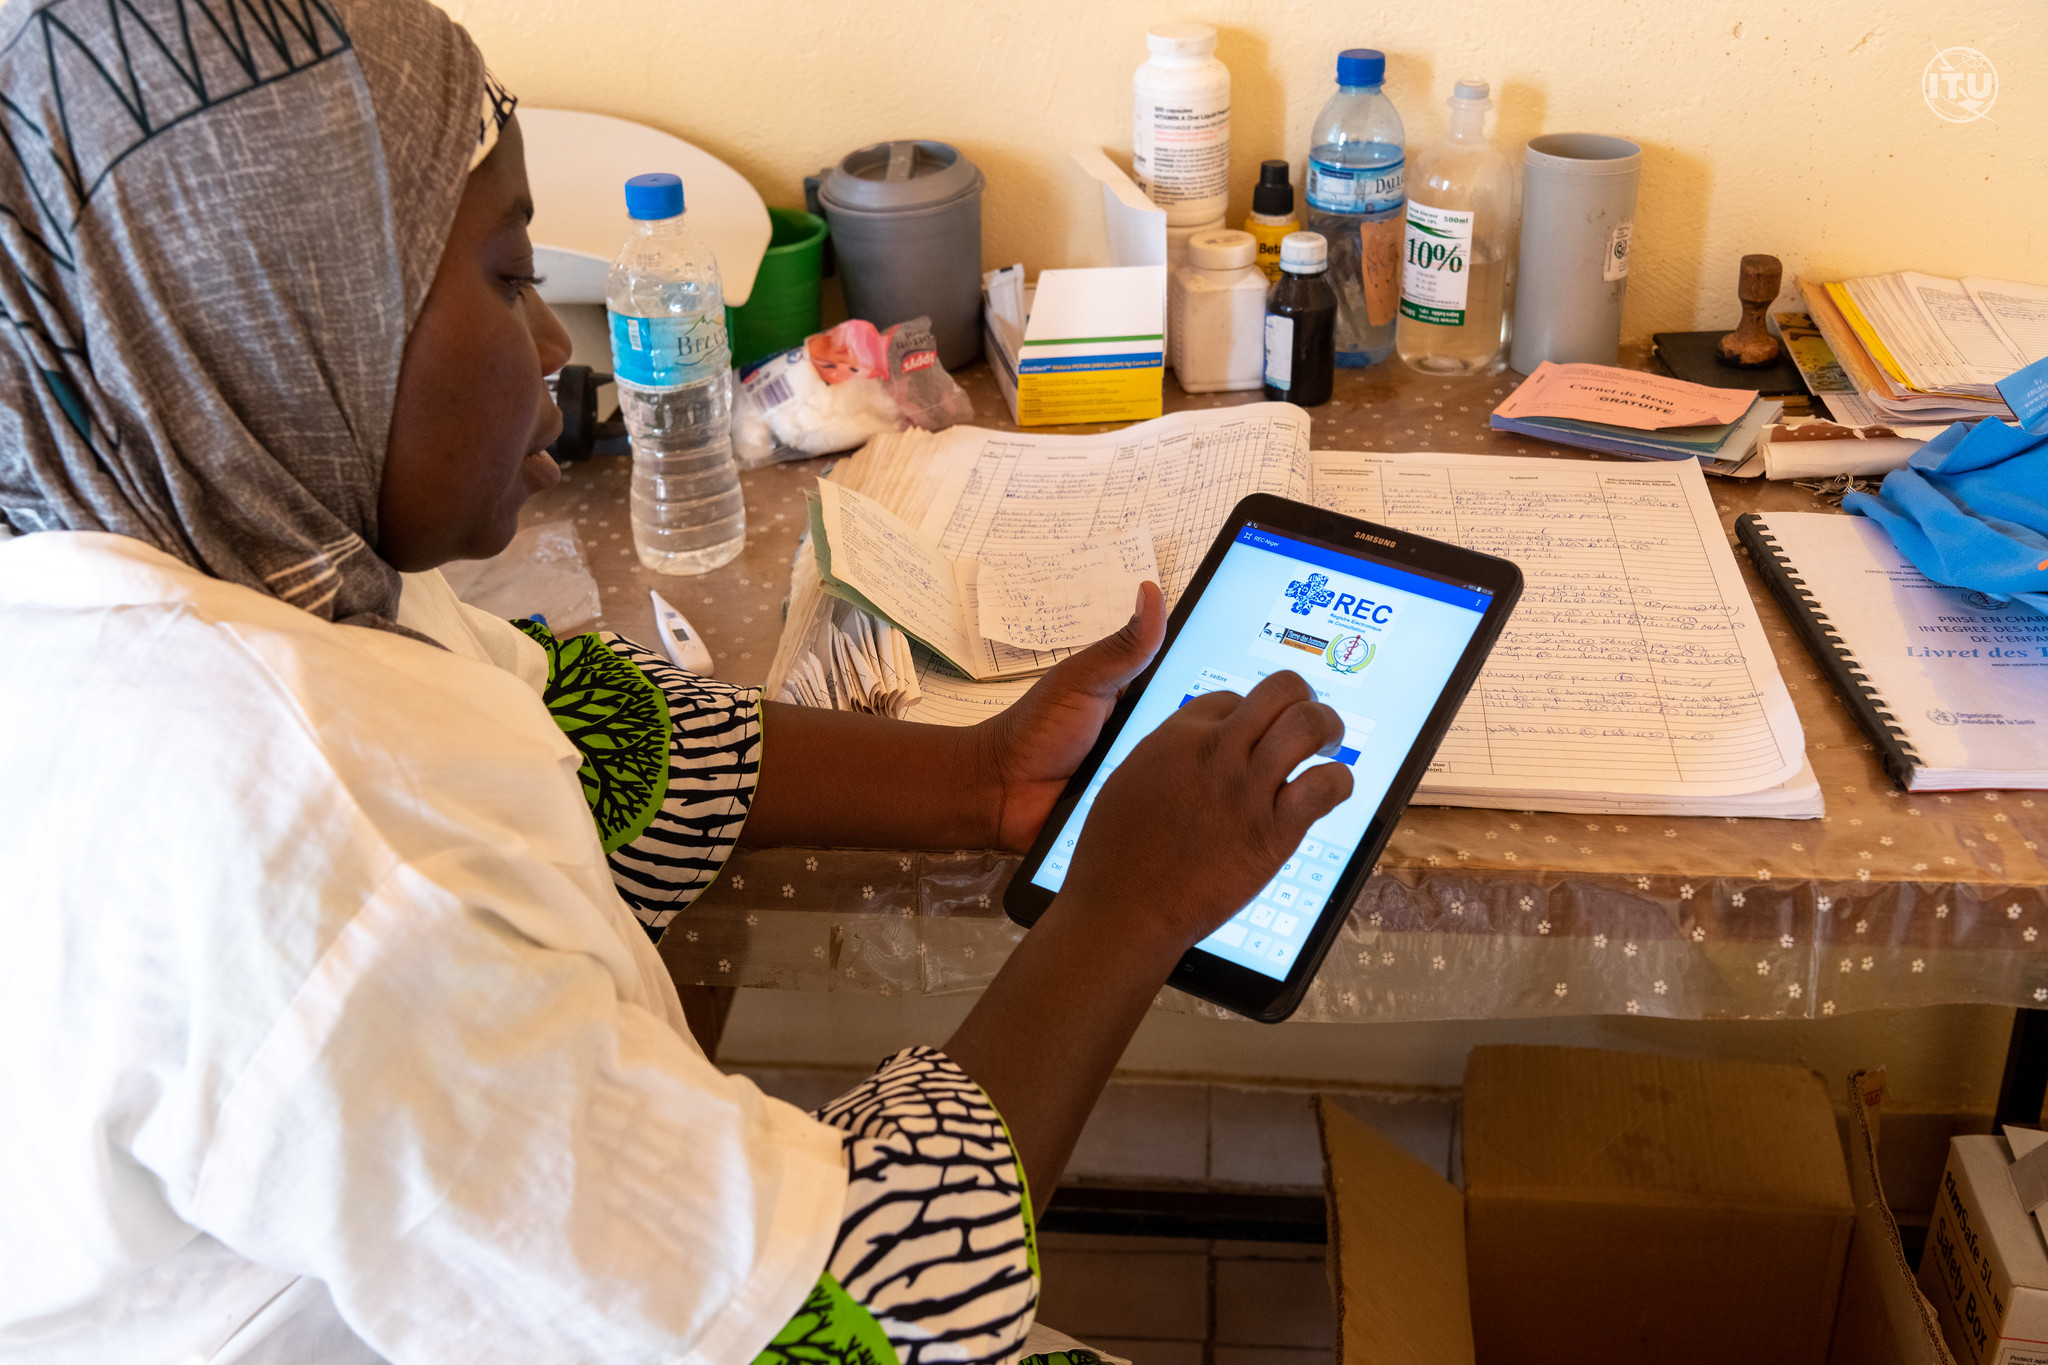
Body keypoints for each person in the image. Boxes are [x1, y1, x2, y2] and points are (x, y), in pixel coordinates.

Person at [0, 0, 1351, 1361]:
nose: (553, 350)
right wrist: (1131, 903)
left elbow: (583, 732)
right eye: (508, 275)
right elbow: (854, 1317)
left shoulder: (179, 558)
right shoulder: (308, 853)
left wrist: (982, 776)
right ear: (288, 315)